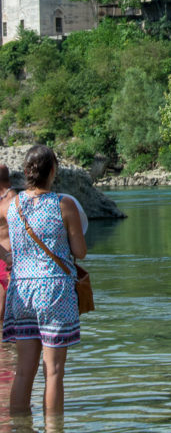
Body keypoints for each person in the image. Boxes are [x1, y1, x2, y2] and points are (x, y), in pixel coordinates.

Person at [2, 145, 87, 416]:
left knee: (24, 371)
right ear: (53, 171)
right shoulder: (64, 204)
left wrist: (8, 257)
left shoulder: (12, 205)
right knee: (54, 372)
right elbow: (80, 251)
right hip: (54, 290)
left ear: (26, 171)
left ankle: (19, 426)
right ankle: (54, 428)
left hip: (20, 289)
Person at [0, 165, 16, 321]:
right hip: (6, 260)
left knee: (3, 313)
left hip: (7, 262)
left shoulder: (10, 202)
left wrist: (7, 258)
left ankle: (4, 344)